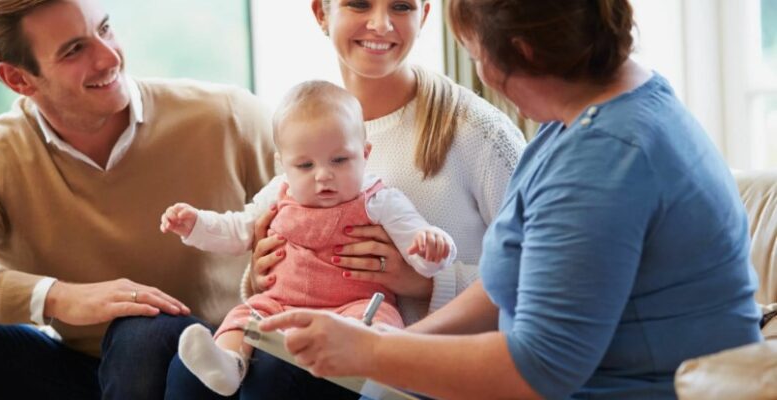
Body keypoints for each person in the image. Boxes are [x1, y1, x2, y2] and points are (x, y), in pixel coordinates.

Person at [257, 0, 764, 399]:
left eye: (477, 55)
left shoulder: (603, 160)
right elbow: (511, 281)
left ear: (523, 52)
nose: (479, 74)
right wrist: (392, 343)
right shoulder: (590, 111)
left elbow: (539, 369)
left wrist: (368, 353)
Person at [0, 0, 274, 398]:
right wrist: (57, 296)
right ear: (19, 79)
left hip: (219, 368)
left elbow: (323, 210)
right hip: (83, 374)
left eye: (105, 29)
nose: (109, 57)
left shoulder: (227, 117)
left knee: (143, 334)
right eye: (74, 50)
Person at [161, 80, 456, 396]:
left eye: (339, 160)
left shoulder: (378, 200)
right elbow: (237, 230)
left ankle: (371, 374)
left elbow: (416, 240)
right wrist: (196, 225)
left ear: (365, 154)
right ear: (283, 166)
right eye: (305, 165)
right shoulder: (278, 193)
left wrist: (432, 246)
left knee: (378, 323)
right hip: (280, 305)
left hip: (353, 308)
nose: (323, 175)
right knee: (244, 316)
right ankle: (229, 363)